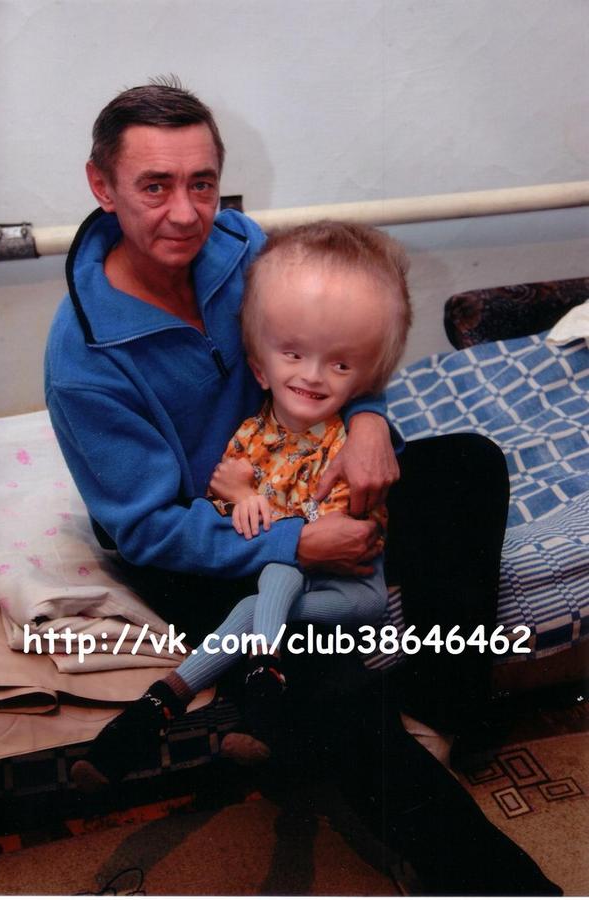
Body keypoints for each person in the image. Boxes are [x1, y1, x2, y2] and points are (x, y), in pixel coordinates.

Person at [45, 78, 561, 895]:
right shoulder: (83, 360)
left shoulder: (243, 248)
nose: (186, 213)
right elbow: (146, 528)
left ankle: (435, 715)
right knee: (325, 680)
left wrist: (368, 420)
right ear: (102, 187)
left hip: (305, 472)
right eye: (155, 186)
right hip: (204, 536)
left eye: (202, 183)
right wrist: (296, 543)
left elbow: (338, 342)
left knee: (467, 464)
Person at [70, 219, 411, 783]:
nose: (313, 378)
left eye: (339, 367)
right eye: (294, 356)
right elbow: (224, 491)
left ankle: (189, 697)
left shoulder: (341, 444)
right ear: (259, 368)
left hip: (351, 586)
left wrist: (370, 418)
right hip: (277, 568)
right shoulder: (254, 430)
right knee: (270, 586)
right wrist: (247, 498)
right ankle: (184, 700)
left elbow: (342, 533)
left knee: (274, 580)